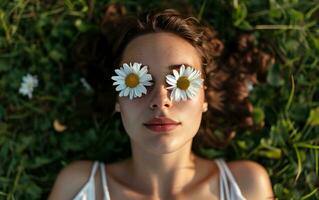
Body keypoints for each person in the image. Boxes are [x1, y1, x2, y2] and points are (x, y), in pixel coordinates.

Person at [48, 6, 275, 200]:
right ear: (117, 99)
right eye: (137, 82)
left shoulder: (246, 186)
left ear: (204, 98)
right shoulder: (80, 187)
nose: (160, 100)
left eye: (182, 82)